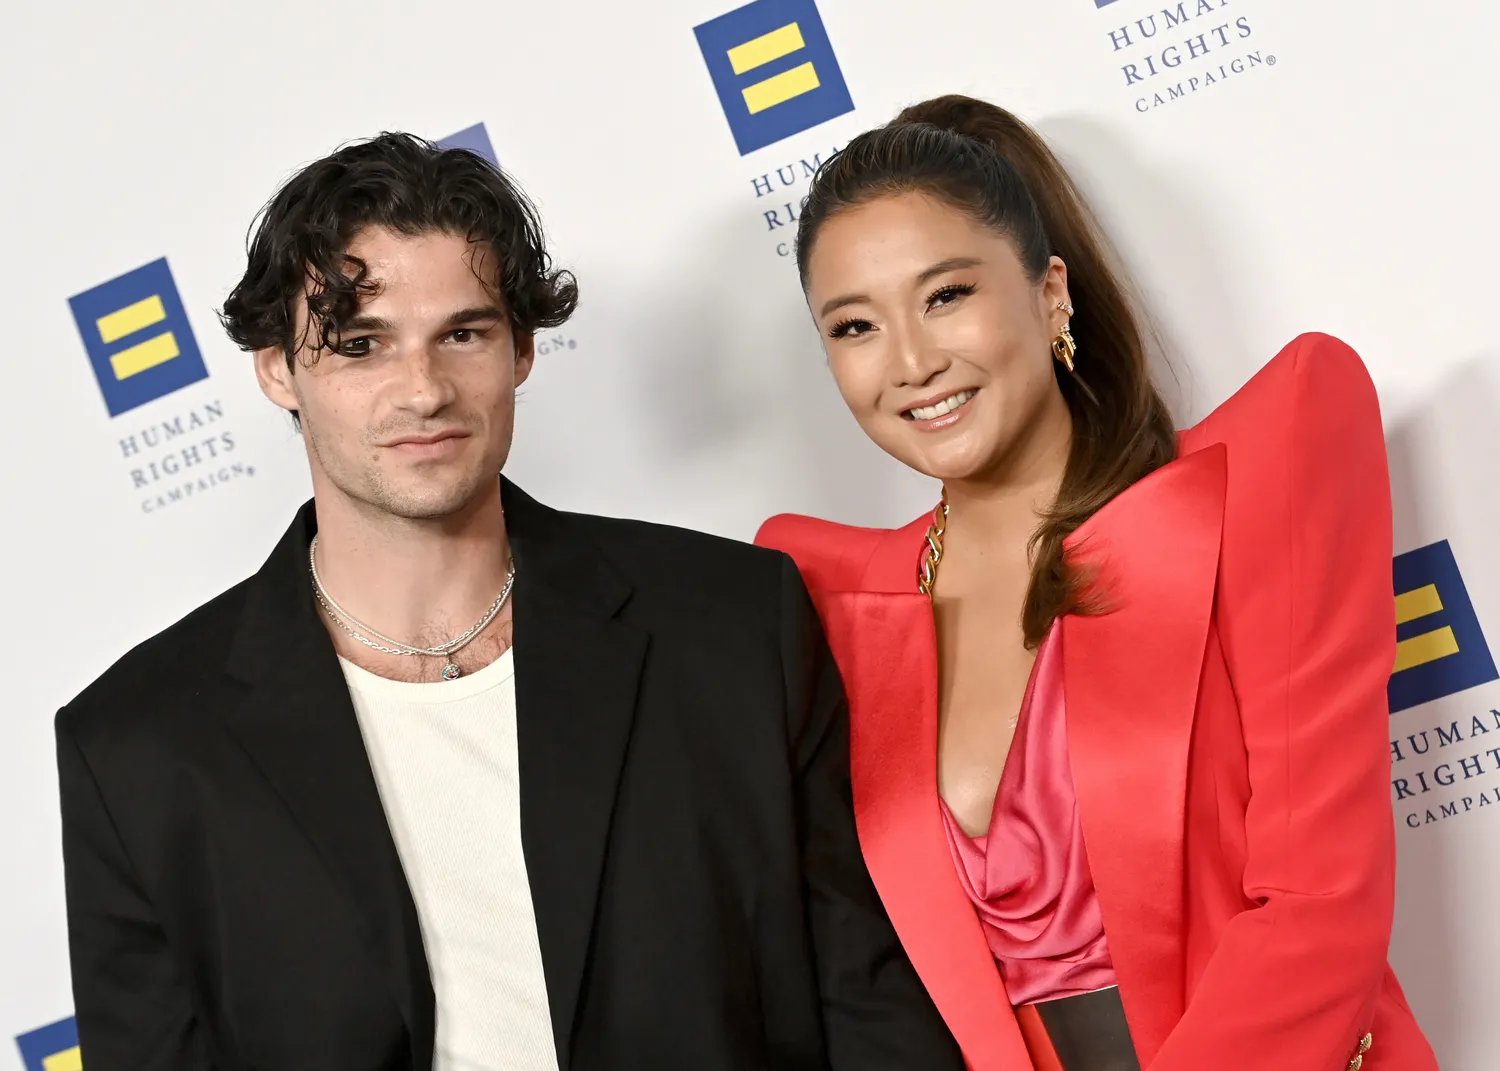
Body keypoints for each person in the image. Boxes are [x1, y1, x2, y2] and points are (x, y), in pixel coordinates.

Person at [55, 133, 963, 1070]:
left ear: (522, 347)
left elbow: (867, 1010)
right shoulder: (139, 748)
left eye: (463, 333)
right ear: (278, 369)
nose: (423, 390)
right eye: (362, 344)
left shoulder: (730, 626)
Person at [757, 95, 1438, 1071]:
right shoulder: (826, 602)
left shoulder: (1260, 475)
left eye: (947, 295)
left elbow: (1319, 903)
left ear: (1050, 294)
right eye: (856, 326)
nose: (910, 362)